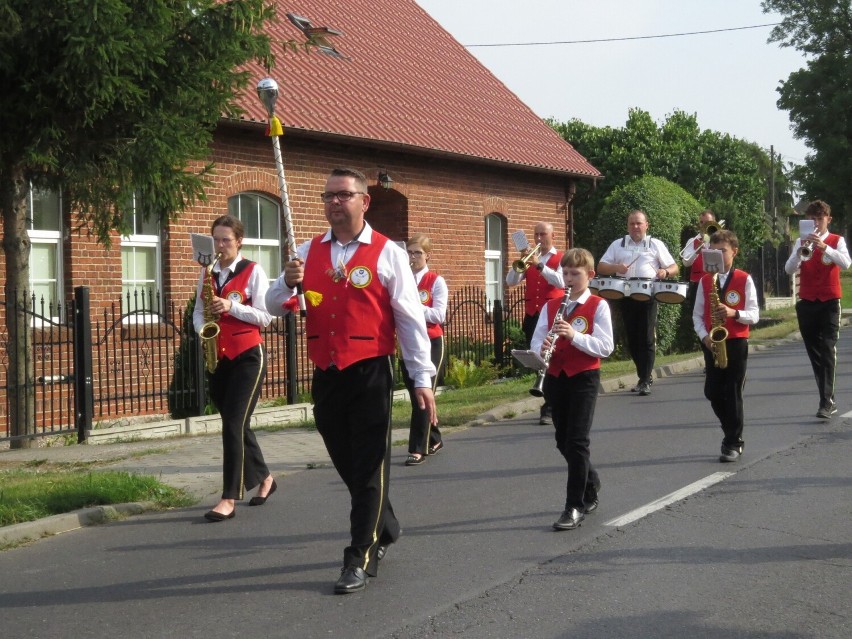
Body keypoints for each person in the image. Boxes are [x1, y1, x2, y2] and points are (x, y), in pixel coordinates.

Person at [266, 167, 437, 594]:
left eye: (343, 195)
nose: (334, 203)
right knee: (348, 461)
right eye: (328, 196)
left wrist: (421, 377)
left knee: (370, 463)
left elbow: (410, 319)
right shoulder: (306, 252)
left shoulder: (387, 252)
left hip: (370, 371)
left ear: (365, 201)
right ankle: (387, 521)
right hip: (327, 371)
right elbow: (271, 304)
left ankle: (360, 554)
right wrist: (286, 283)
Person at [192, 214, 276, 522]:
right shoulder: (207, 272)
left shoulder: (253, 271)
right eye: (215, 239)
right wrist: (202, 330)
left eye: (225, 239)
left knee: (233, 425)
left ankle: (229, 497)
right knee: (236, 422)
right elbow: (198, 310)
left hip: (248, 356)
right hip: (219, 356)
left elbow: (266, 317)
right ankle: (265, 478)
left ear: (238, 241)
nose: (219, 245)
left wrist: (231, 306)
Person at [531, 248, 614, 530]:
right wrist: (541, 350)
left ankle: (573, 506)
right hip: (556, 376)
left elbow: (605, 346)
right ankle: (590, 484)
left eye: (574, 274)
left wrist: (575, 335)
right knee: (562, 441)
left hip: (584, 377)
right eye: (565, 273)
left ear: (589, 275)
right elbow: (537, 339)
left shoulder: (599, 306)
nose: (568, 278)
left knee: (578, 441)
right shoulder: (551, 306)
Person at [692, 230, 759, 462]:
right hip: (713, 342)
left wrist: (734, 313)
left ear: (734, 252)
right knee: (712, 392)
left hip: (737, 341)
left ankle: (733, 441)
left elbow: (754, 315)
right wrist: (704, 338)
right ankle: (730, 432)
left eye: (723, 251)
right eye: (715, 251)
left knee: (732, 393)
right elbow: (697, 316)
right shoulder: (704, 280)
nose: (718, 255)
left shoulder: (743, 278)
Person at [597, 210, 678, 396]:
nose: (635, 227)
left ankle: (645, 378)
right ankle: (643, 376)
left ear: (646, 225)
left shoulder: (655, 244)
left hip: (648, 294)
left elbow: (674, 267)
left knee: (647, 337)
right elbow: (601, 266)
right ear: (627, 226)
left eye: (639, 223)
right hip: (625, 295)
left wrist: (665, 272)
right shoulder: (618, 244)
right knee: (632, 339)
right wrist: (616, 267)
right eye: (632, 223)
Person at [784, 200, 851, 418]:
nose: (816, 223)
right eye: (812, 219)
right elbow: (788, 269)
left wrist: (825, 248)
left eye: (819, 219)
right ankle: (826, 398)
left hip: (830, 301)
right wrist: (800, 249)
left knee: (828, 349)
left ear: (828, 220)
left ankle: (826, 401)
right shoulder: (800, 241)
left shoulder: (836, 240)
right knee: (814, 353)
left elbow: (846, 263)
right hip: (807, 301)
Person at [506, 221, 565, 423]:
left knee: (550, 358)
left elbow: (561, 282)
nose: (539, 239)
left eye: (543, 234)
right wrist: (522, 260)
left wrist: (540, 264)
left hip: (552, 315)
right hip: (533, 314)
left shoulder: (561, 258)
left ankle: (548, 407)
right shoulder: (530, 259)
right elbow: (511, 281)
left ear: (553, 235)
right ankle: (552, 401)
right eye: (536, 235)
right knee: (540, 358)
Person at [401, 233, 447, 466]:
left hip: (431, 342)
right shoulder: (402, 279)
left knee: (421, 394)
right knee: (415, 394)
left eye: (418, 252)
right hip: (407, 342)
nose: (413, 257)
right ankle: (435, 438)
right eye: (409, 252)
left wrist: (413, 307)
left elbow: (439, 315)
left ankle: (417, 448)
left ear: (428, 255)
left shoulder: (435, 281)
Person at [682, 209, 718, 303]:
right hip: (697, 285)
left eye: (707, 222)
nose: (704, 225)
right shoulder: (692, 241)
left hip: (716, 284)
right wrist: (696, 252)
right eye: (701, 222)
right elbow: (686, 263)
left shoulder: (720, 241)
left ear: (713, 223)